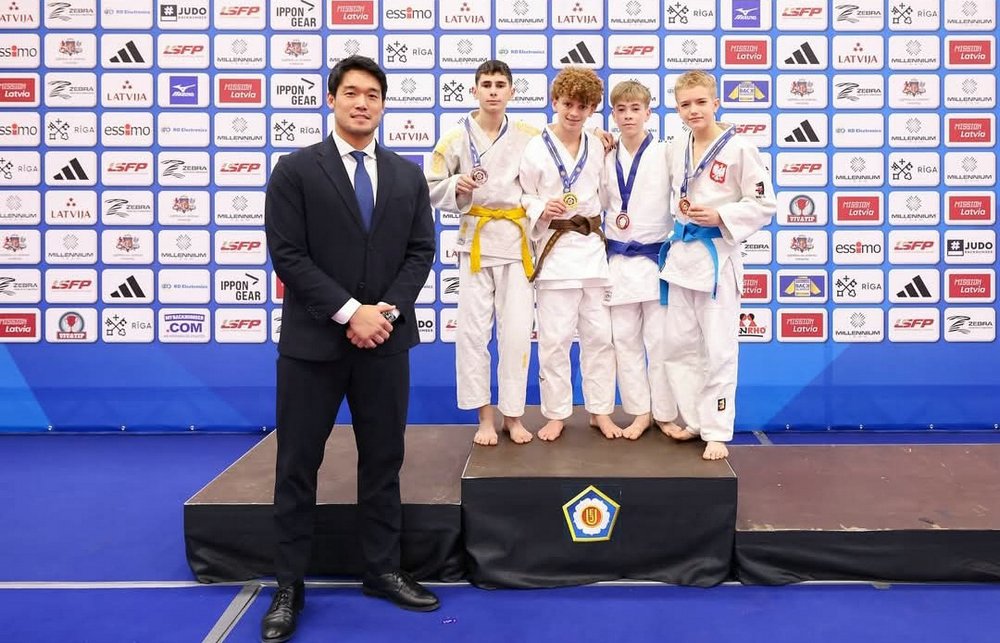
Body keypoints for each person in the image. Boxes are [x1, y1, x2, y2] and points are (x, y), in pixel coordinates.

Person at [262, 55, 438, 643]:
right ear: (332, 99)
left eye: (373, 95)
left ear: (384, 104)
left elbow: (420, 252)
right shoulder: (295, 170)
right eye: (352, 93)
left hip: (385, 342)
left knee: (383, 460)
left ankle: (382, 569)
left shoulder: (407, 176)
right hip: (313, 345)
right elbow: (288, 254)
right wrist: (348, 312)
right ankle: (288, 584)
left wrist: (383, 312)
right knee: (297, 465)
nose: (363, 103)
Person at [658, 70, 776, 460]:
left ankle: (717, 431)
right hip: (681, 259)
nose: (693, 110)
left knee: (718, 349)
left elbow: (765, 204)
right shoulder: (677, 145)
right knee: (679, 347)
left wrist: (722, 215)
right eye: (685, 104)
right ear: (677, 109)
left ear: (716, 103)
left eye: (700, 102)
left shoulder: (740, 148)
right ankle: (695, 420)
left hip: (717, 259)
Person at [425, 60, 537, 447]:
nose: (492, 91)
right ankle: (484, 418)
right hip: (474, 242)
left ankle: (513, 417)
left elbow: (563, 150)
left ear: (512, 92)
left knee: (517, 335)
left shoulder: (529, 136)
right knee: (472, 335)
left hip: (516, 244)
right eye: (486, 84)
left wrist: (598, 135)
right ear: (474, 90)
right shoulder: (454, 138)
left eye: (500, 84)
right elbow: (430, 185)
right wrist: (457, 184)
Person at [518, 67, 621, 442]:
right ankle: (557, 413)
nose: (574, 113)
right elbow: (523, 194)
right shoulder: (535, 147)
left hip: (591, 250)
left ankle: (600, 411)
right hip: (555, 252)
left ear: (593, 109)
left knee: (600, 338)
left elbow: (607, 192)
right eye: (567, 104)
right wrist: (539, 207)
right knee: (554, 340)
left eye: (583, 106)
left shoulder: (599, 145)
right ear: (554, 102)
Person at [601, 80, 676, 440]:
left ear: (648, 112)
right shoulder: (603, 154)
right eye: (621, 110)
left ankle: (665, 413)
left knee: (660, 343)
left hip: (656, 261)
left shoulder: (666, 153)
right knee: (625, 342)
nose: (628, 116)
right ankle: (640, 412)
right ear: (613, 114)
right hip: (618, 261)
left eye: (635, 109)